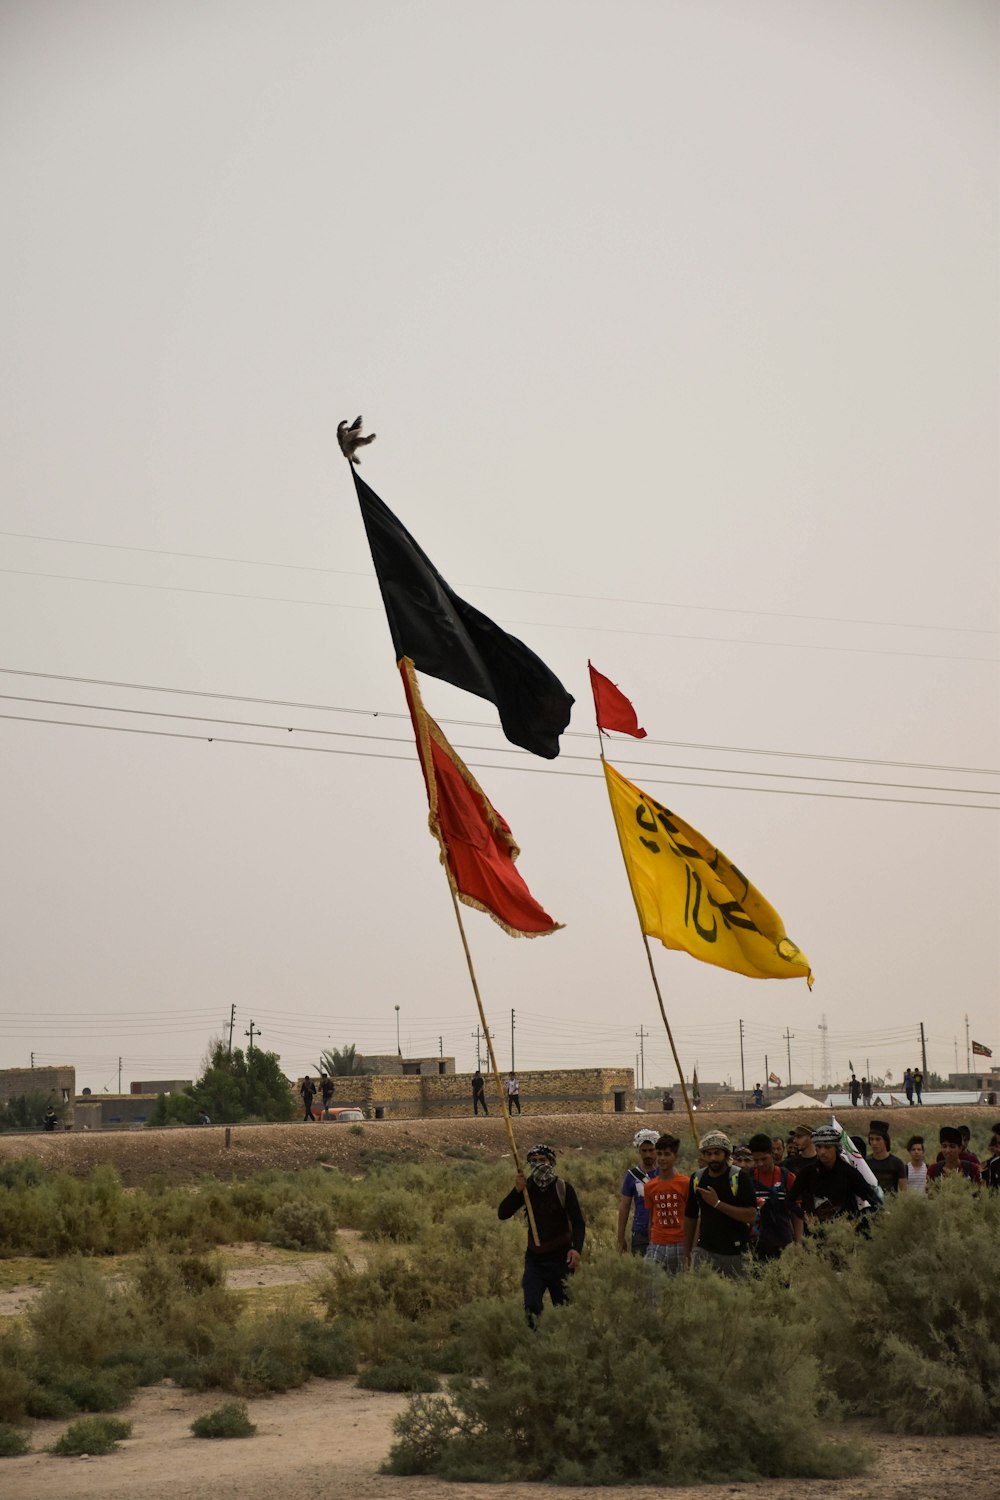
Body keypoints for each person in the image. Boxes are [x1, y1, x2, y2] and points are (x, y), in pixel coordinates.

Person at [498, 1144, 585, 1327]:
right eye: (534, 1161)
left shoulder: (563, 1188)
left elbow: (578, 1223)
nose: (538, 1164)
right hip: (535, 1260)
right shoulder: (527, 1189)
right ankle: (536, 1345)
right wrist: (517, 1191)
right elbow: (503, 1213)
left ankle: (563, 1347)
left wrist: (576, 1250)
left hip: (561, 1259)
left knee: (564, 1311)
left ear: (551, 1162)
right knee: (531, 1307)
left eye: (542, 1160)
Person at [683, 1130, 757, 1278]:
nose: (713, 1158)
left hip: (735, 1252)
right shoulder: (697, 1179)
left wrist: (717, 1203)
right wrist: (687, 1253)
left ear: (726, 1154)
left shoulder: (739, 1177)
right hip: (704, 1250)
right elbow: (690, 1217)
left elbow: (751, 1215)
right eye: (708, 1154)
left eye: (717, 1153)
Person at [787, 1124, 881, 1237]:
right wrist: (805, 1216)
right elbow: (789, 1200)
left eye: (827, 1147)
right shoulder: (808, 1172)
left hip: (844, 1236)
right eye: (819, 1146)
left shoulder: (849, 1173)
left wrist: (857, 1223)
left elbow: (875, 1202)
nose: (822, 1151)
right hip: (816, 1237)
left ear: (836, 1148)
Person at [643, 1133, 690, 1274]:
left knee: (681, 1288)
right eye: (659, 1154)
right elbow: (651, 1216)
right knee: (650, 1285)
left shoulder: (685, 1183)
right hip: (657, 1241)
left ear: (675, 1157)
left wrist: (690, 1248)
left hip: (680, 1242)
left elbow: (692, 1217)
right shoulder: (650, 1186)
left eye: (667, 1154)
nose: (662, 1158)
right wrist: (651, 1241)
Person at [748, 1132, 796, 1262]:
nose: (760, 1164)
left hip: (783, 1241)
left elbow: (796, 1212)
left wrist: (799, 1241)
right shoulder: (747, 1178)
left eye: (764, 1159)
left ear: (772, 1154)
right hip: (756, 1243)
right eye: (756, 1160)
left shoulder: (787, 1177)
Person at [617, 1129, 659, 1256]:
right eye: (644, 1151)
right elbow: (624, 1207)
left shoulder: (665, 1174)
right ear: (639, 1151)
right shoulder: (632, 1176)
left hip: (664, 1232)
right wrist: (620, 1236)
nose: (648, 1155)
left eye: (651, 1150)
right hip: (640, 1232)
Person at [867, 1125, 906, 1195]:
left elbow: (904, 1191)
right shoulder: (866, 1163)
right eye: (871, 1139)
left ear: (885, 1141)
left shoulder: (897, 1163)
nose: (874, 1143)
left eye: (878, 1139)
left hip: (890, 1203)